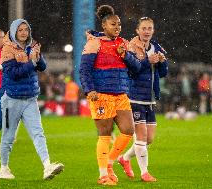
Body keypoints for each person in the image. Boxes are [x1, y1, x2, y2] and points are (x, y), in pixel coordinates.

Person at [79, 5, 142, 186]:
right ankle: (102, 175)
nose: (117, 27)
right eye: (114, 24)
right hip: (101, 95)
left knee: (128, 130)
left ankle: (110, 162)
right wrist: (89, 89)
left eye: (119, 24)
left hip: (121, 94)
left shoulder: (123, 43)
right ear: (104, 26)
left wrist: (126, 56)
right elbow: (84, 70)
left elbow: (137, 68)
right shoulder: (94, 43)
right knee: (105, 134)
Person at [0, 19, 63, 180]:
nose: (24, 32)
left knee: (38, 133)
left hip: (30, 99)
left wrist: (38, 58)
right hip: (11, 100)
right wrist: (31, 62)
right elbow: (13, 73)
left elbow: (43, 67)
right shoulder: (7, 49)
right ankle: (3, 168)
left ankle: (47, 166)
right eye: (20, 30)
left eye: (26, 29)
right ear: (14, 32)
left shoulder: (31, 46)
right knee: (8, 136)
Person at [117, 17, 168, 182]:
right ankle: (144, 173)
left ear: (153, 30)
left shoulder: (156, 47)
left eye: (150, 28)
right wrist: (148, 61)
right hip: (135, 97)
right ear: (137, 30)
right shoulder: (131, 47)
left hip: (150, 97)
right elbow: (134, 69)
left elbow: (163, 73)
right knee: (141, 138)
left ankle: (124, 159)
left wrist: (162, 62)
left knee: (149, 139)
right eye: (144, 28)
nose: (147, 31)